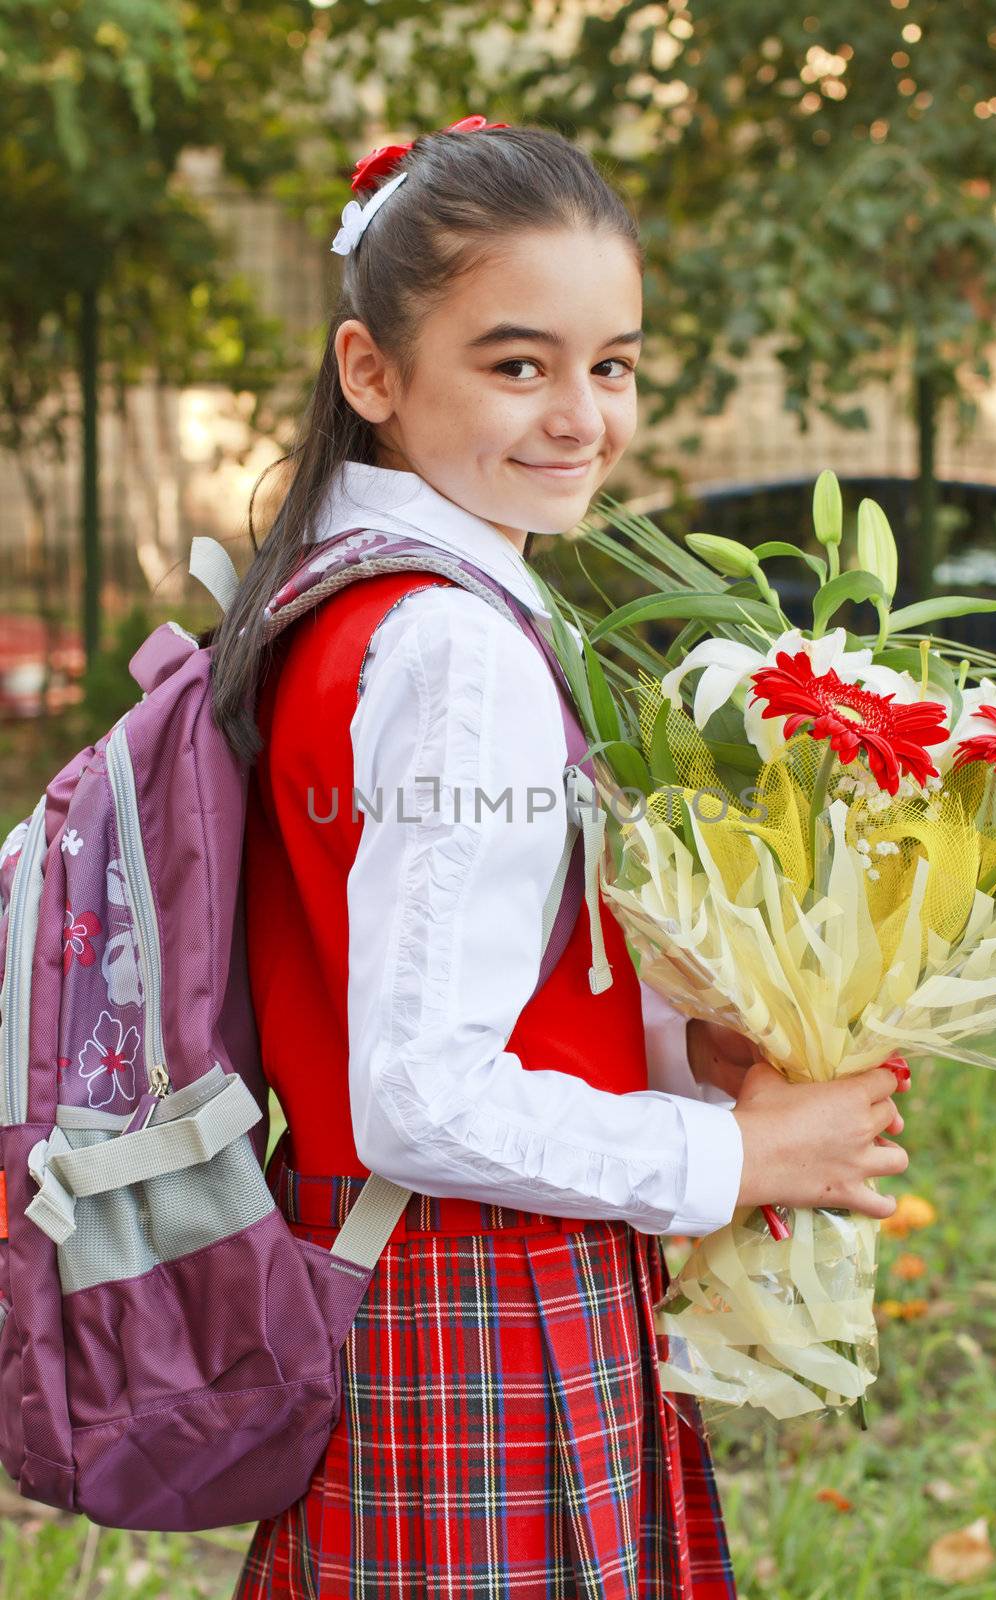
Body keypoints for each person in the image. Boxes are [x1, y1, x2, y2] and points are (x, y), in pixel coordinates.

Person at [208, 117, 909, 1600]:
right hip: (476, 1289)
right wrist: (737, 1153)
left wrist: (668, 1038)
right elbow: (421, 1094)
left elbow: (404, 972)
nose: (581, 417)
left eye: (614, 365)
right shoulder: (454, 645)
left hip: (401, 1272)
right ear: (371, 372)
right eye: (518, 364)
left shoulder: (341, 600)